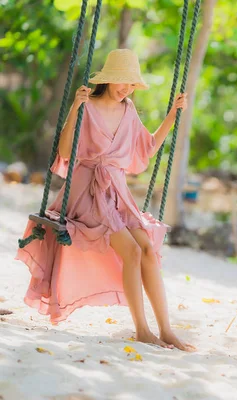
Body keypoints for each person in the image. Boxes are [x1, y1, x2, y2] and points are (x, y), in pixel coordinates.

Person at [15, 49, 195, 352]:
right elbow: (65, 150)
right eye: (121, 81)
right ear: (108, 79)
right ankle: (142, 329)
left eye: (131, 84)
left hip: (116, 192)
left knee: (147, 249)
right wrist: (75, 107)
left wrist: (173, 117)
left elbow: (148, 148)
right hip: (86, 193)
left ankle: (166, 329)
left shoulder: (129, 111)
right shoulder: (88, 106)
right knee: (133, 252)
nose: (125, 88)